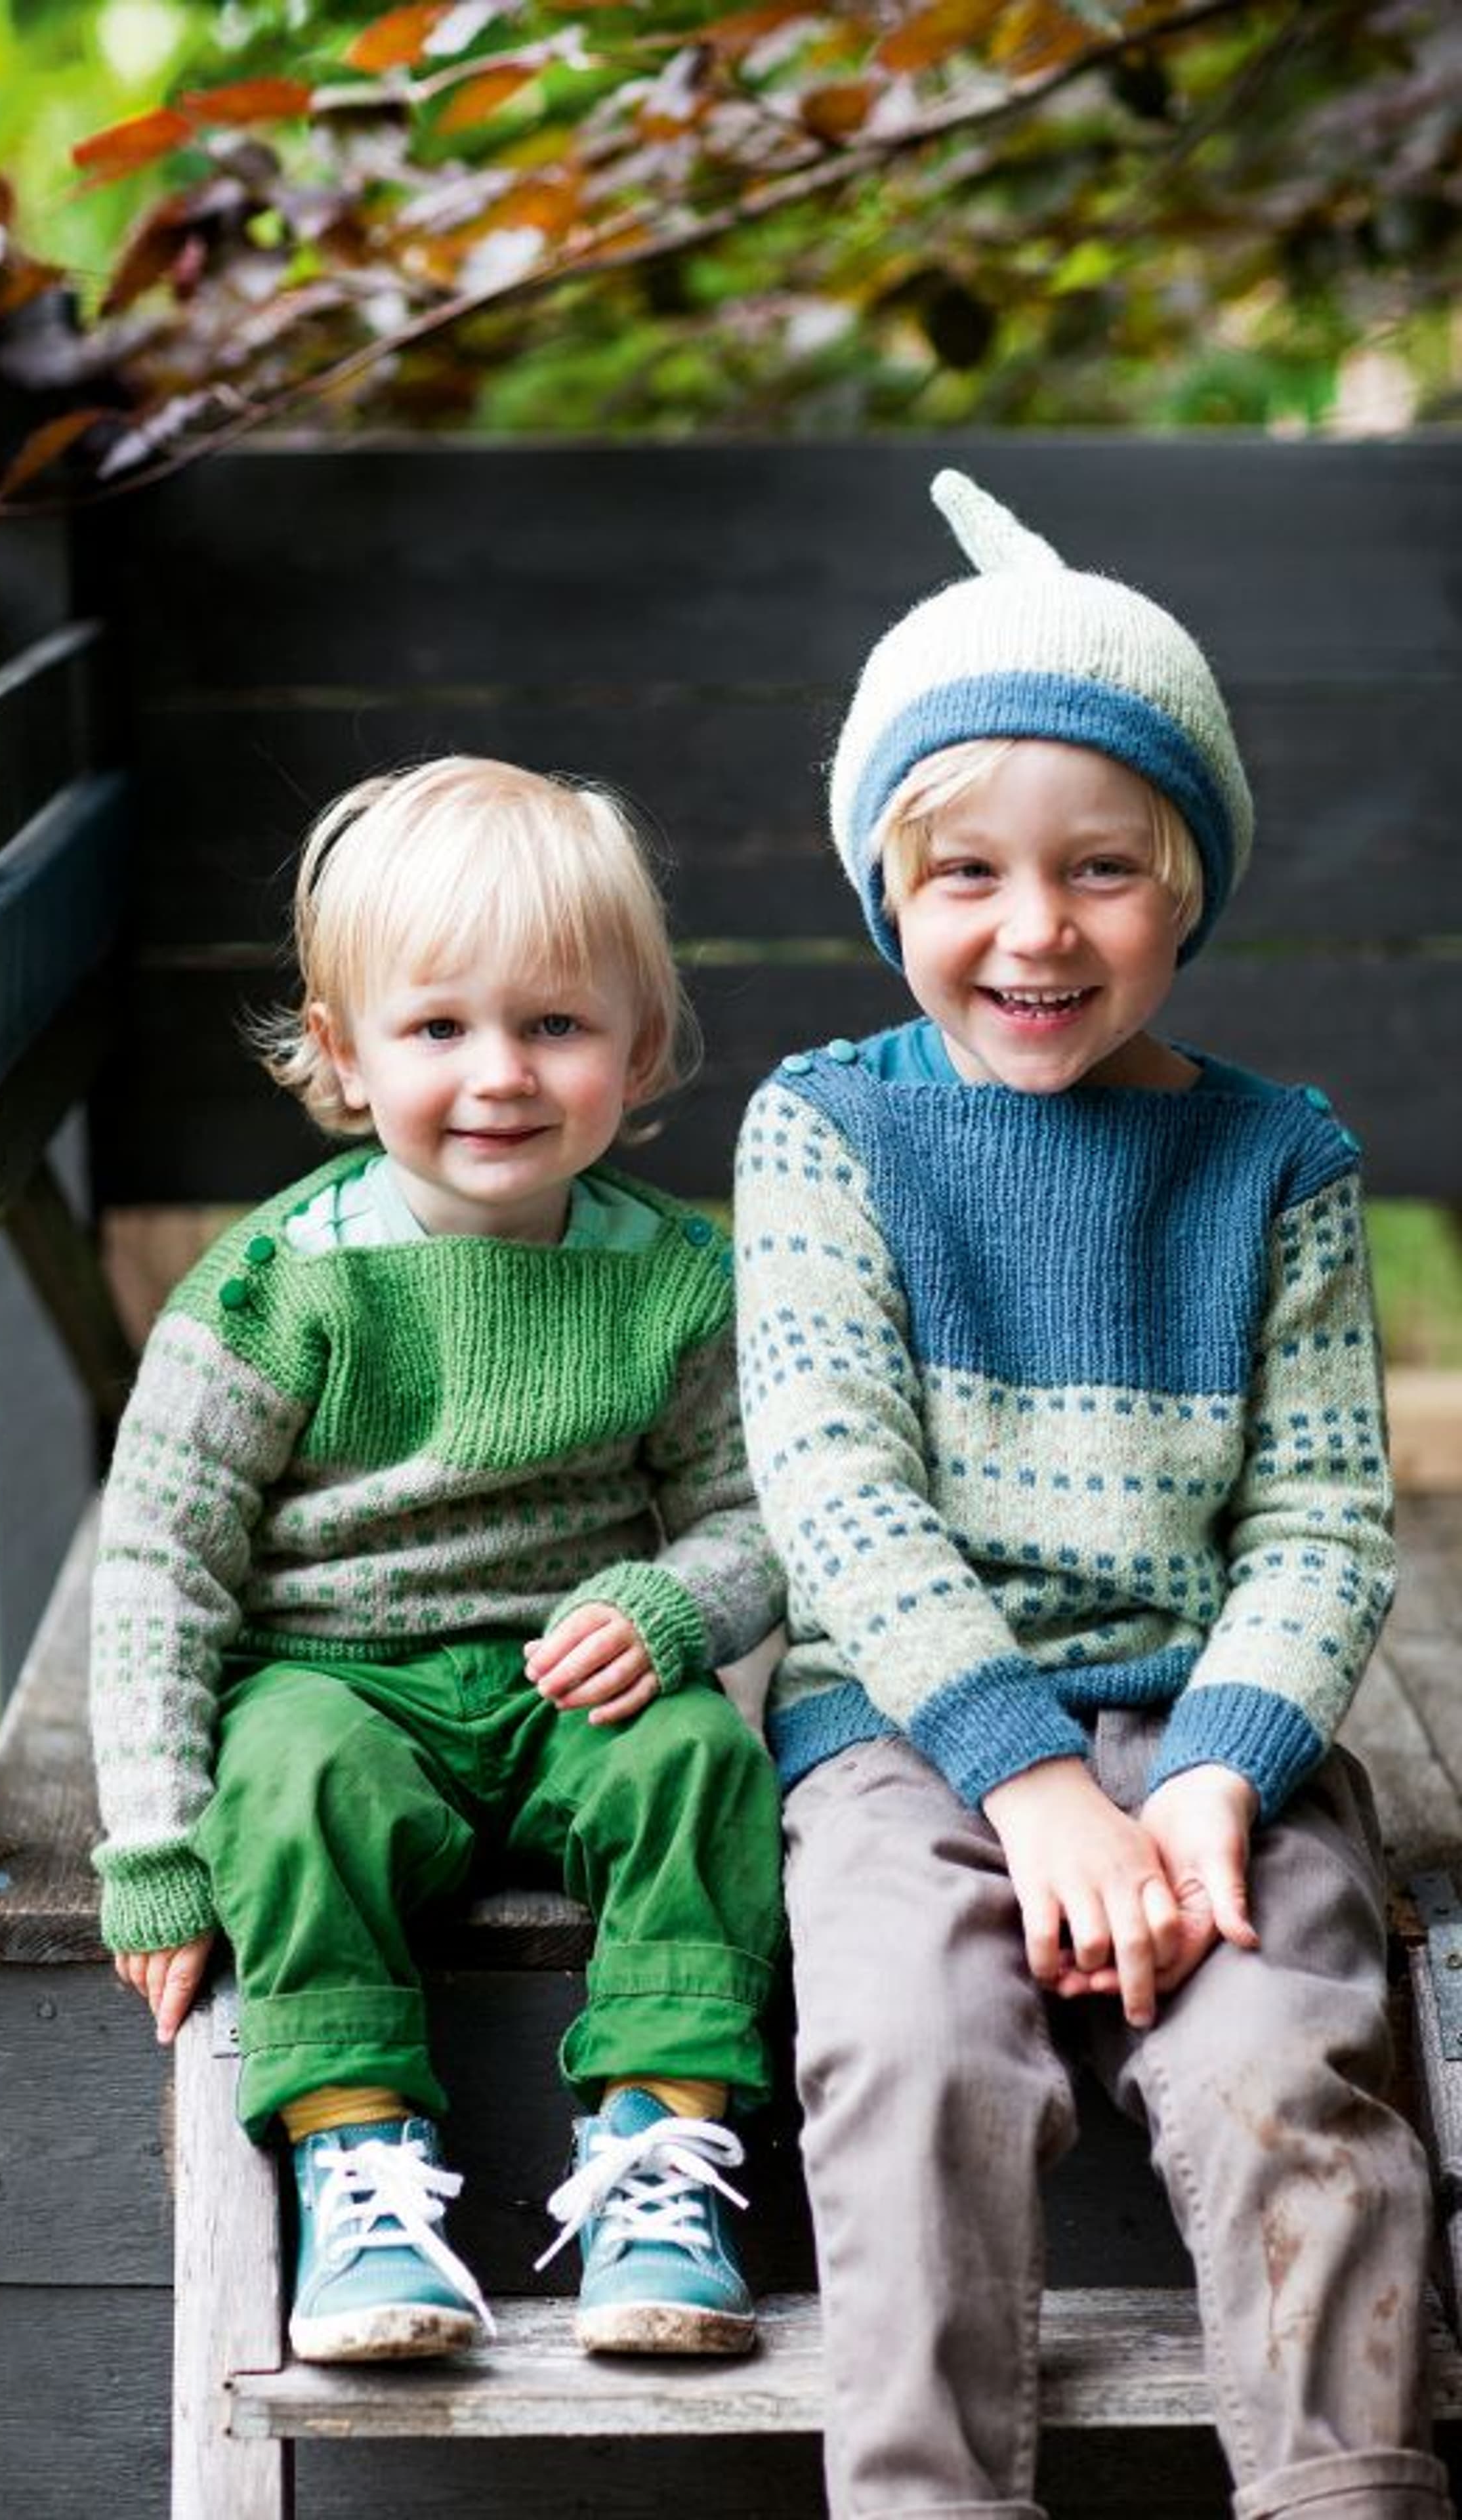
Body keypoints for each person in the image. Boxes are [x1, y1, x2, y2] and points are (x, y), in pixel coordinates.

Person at [734, 472, 1450, 2519]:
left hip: (1218, 1727)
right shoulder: (827, 1132)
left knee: (1290, 2065)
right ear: (888, 888)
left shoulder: (1278, 1158)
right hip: (908, 1732)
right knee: (912, 2054)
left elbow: (1324, 1522)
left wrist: (1216, 1778)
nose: (1035, 929)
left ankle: (1347, 2490)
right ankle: (930, 2495)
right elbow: (835, 1494)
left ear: (1187, 885)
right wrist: (1032, 1784)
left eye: (1104, 869)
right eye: (966, 872)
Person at [91, 755, 784, 2365]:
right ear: (341, 1053)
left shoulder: (675, 1280)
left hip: (567, 1680)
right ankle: (358, 2169)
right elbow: (159, 1573)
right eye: (437, 1031)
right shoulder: (275, 1289)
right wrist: (153, 1845)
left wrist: (673, 1605)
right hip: (331, 1679)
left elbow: (764, 1514)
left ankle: (657, 2161)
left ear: (639, 1046)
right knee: (291, 1788)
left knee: (698, 1761)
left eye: (554, 1025)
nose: (500, 1077)